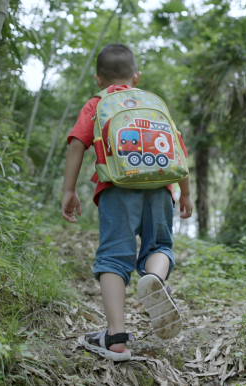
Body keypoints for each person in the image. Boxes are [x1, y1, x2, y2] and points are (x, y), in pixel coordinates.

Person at [60, 43, 193, 361]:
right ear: (137, 76)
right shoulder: (152, 104)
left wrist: (69, 190)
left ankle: (116, 339)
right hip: (160, 188)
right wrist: (185, 193)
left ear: (97, 78)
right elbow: (178, 150)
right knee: (159, 246)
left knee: (113, 259)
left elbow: (78, 144)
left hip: (116, 187)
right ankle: (155, 279)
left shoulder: (96, 104)